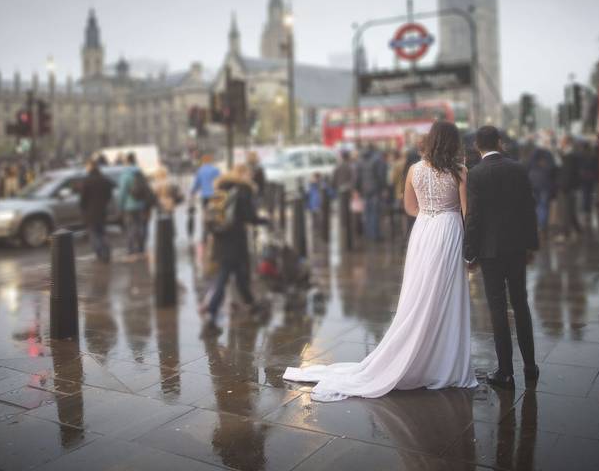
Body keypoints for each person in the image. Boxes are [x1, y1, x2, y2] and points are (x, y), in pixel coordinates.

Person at [284, 120, 477, 400]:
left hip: (424, 231)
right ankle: (443, 361)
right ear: (453, 143)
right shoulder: (460, 172)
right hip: (449, 231)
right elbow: (467, 212)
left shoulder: (414, 170)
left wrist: (430, 212)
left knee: (420, 293)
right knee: (447, 294)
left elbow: (410, 208)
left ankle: (414, 350)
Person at [465, 125, 540, 389]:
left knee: (497, 309)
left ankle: (505, 371)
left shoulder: (476, 174)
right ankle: (530, 366)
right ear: (500, 142)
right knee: (521, 304)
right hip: (517, 247)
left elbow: (473, 217)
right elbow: (529, 209)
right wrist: (531, 245)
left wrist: (469, 253)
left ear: (477, 146)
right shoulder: (518, 168)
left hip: (490, 251)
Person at [202, 163, 268, 335]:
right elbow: (249, 216)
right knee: (224, 277)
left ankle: (253, 306)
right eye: (248, 173)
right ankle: (211, 313)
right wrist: (265, 221)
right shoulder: (243, 191)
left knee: (240, 276)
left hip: (220, 240)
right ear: (244, 174)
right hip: (235, 240)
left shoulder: (221, 189)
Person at [81, 161, 115, 262]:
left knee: (94, 234)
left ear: (91, 167)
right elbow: (109, 195)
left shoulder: (87, 181)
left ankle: (101, 253)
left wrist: (83, 208)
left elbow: (83, 199)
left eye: (87, 166)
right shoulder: (104, 180)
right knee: (102, 232)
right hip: (102, 210)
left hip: (90, 212)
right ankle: (107, 251)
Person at [118, 152, 151, 255]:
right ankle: (141, 247)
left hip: (129, 206)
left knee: (131, 227)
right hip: (141, 204)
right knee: (140, 225)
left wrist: (120, 206)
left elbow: (122, 192)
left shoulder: (125, 174)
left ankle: (131, 249)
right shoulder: (140, 172)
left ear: (127, 161)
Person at [356, 146, 387, 241]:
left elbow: (357, 177)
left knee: (367, 212)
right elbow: (380, 176)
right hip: (375, 190)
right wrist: (383, 188)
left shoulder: (360, 162)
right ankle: (375, 235)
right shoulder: (376, 160)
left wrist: (357, 189)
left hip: (365, 190)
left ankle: (368, 234)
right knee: (375, 212)